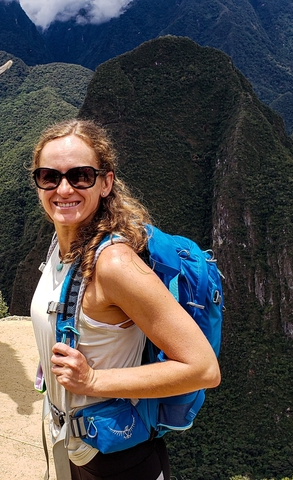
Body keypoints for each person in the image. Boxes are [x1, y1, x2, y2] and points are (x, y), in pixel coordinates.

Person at [29, 119, 221, 480]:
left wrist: (93, 381)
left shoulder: (114, 264)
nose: (63, 188)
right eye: (49, 177)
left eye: (81, 176)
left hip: (117, 460)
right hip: (69, 445)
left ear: (106, 183)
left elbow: (203, 369)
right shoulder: (63, 245)